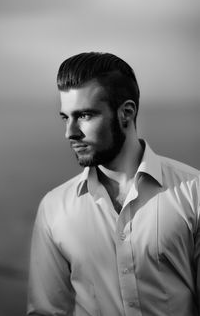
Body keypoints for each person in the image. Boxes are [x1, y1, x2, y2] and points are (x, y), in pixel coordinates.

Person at [27, 52, 200, 316]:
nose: (70, 132)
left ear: (126, 113)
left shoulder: (193, 192)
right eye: (66, 117)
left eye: (84, 115)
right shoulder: (54, 208)